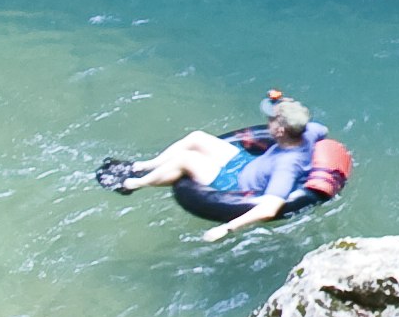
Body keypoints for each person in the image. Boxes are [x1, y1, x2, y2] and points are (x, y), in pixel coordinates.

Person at [99, 92, 340, 233]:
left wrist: (226, 229)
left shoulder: (287, 166)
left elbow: (270, 207)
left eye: (272, 120)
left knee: (186, 160)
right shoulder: (310, 131)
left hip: (235, 182)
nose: (267, 122)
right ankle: (141, 165)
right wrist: (284, 103)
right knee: (197, 138)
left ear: (280, 130)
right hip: (247, 163)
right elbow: (323, 129)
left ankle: (131, 184)